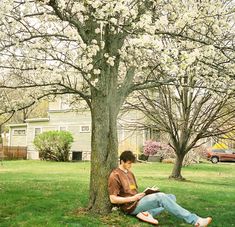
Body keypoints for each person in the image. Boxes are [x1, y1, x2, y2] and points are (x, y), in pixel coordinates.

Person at [108, 150, 212, 226]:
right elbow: (113, 198)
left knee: (171, 197)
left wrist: (146, 192)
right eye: (129, 163)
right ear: (122, 161)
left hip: (138, 201)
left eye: (131, 163)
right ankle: (195, 220)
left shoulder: (130, 173)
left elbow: (133, 190)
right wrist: (133, 198)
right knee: (161, 197)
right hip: (130, 207)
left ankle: (147, 213)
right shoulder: (115, 175)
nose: (131, 165)